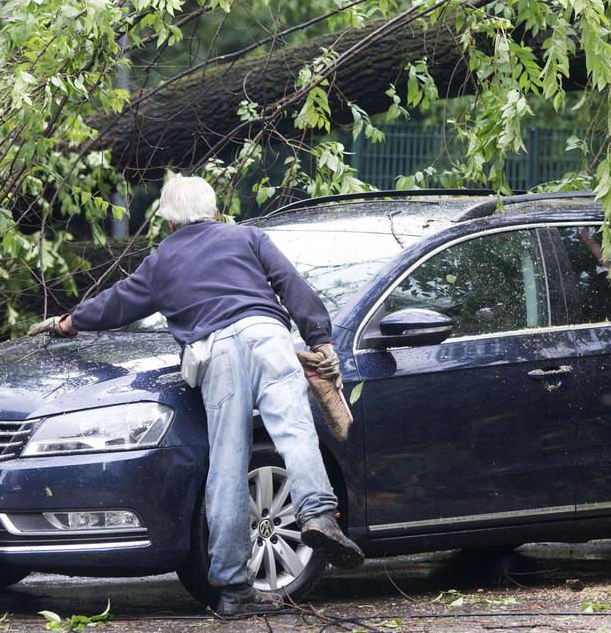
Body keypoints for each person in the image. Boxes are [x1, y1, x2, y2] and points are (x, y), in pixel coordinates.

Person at [30, 175, 363, 618]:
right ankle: (318, 515)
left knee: (227, 462)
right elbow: (290, 283)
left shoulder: (161, 260)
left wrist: (68, 322)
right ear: (214, 212)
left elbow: (117, 304)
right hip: (268, 336)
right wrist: (319, 338)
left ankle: (233, 589)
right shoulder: (247, 237)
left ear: (169, 223)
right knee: (296, 431)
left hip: (216, 350)